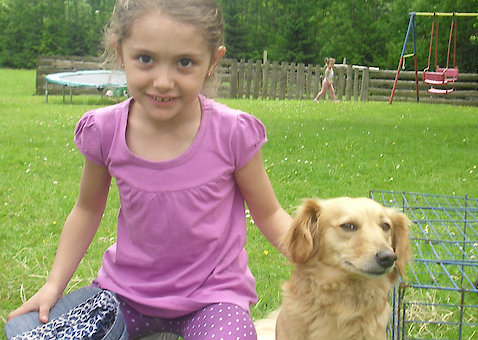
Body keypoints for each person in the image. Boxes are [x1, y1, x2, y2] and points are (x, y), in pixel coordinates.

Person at [5, 0, 292, 339]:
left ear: (213, 60)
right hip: (126, 296)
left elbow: (270, 213)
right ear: (119, 53)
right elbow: (87, 208)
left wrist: (317, 257)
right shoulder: (106, 130)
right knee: (29, 332)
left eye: (185, 62)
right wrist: (53, 286)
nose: (163, 81)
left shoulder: (232, 133)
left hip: (212, 299)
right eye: (145, 59)